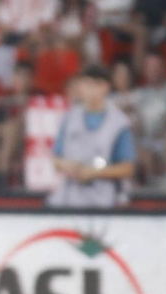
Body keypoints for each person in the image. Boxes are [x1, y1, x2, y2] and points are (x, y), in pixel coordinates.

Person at [47, 65, 135, 208]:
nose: (91, 90)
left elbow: (127, 168)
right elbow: (55, 159)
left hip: (105, 199)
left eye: (96, 85)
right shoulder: (69, 118)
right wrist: (67, 165)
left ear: (106, 87)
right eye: (87, 84)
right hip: (69, 197)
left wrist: (94, 172)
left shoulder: (119, 123)